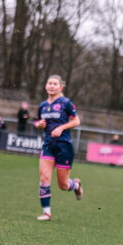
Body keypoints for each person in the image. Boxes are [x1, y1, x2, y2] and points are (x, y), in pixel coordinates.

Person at [34, 74, 83, 221]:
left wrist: (62, 127)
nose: (52, 86)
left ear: (61, 87)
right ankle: (47, 213)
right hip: (48, 144)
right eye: (49, 83)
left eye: (55, 84)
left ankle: (76, 186)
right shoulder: (42, 105)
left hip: (64, 146)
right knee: (44, 178)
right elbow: (38, 122)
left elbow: (76, 121)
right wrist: (38, 125)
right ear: (46, 86)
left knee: (62, 185)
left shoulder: (65, 103)